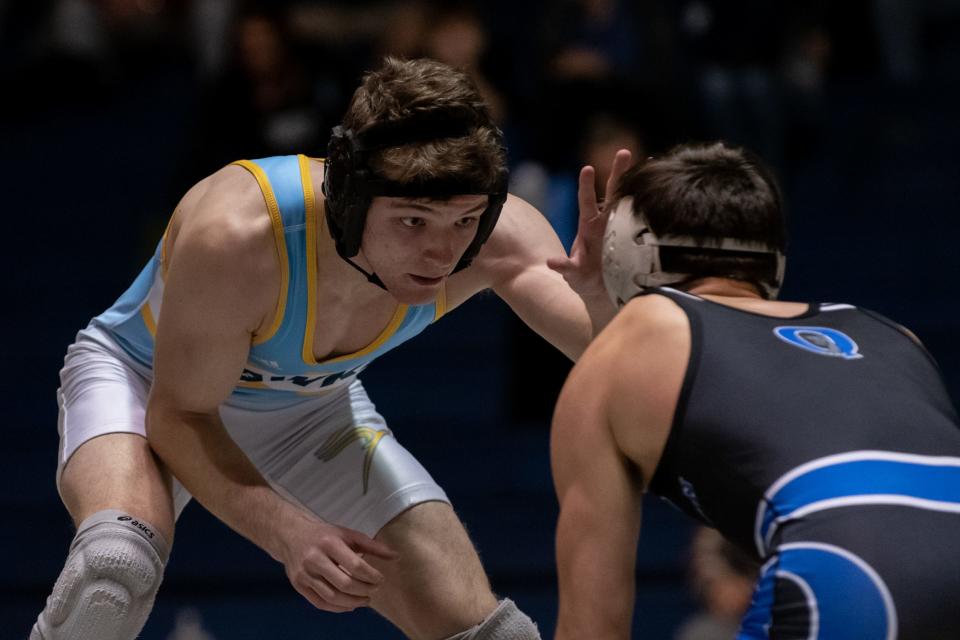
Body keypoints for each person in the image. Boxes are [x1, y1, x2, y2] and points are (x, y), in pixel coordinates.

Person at [32, 57, 627, 640]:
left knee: (486, 633)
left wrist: (603, 303)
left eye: (465, 219)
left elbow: (620, 367)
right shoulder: (241, 233)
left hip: (307, 410)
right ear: (348, 198)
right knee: (114, 571)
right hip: (145, 383)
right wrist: (291, 531)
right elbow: (181, 415)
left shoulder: (499, 238)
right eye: (413, 221)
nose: (442, 255)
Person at [550, 142, 960, 639]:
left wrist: (600, 296)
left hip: (852, 581)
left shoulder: (624, 347)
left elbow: (592, 627)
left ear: (624, 249)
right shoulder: (892, 334)